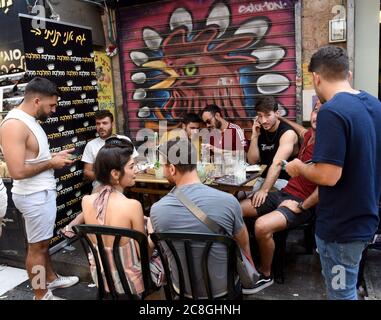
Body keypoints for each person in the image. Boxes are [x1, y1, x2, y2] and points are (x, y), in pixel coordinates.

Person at [285, 45, 381, 300]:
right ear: (347, 74)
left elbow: (328, 175)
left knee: (341, 293)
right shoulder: (375, 104)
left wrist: (298, 168)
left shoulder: (331, 111)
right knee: (345, 289)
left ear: (316, 77)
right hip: (364, 220)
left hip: (340, 230)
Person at [0, 77, 79, 300]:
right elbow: (17, 171)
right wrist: (51, 163)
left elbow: (32, 159)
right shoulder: (14, 125)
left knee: (42, 245)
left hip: (40, 193)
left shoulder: (29, 119)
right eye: (51, 105)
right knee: (36, 249)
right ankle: (40, 294)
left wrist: (53, 157)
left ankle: (51, 279)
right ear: (36, 100)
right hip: (33, 196)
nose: (53, 110)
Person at [150, 139, 256, 298]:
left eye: (162, 166)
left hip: (183, 290)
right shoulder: (229, 202)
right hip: (225, 290)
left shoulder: (157, 210)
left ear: (172, 169)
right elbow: (243, 244)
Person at [240, 99, 321, 293]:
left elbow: (326, 186)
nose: (317, 116)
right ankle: (247, 264)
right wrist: (282, 118)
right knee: (232, 210)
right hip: (285, 192)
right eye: (316, 111)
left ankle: (265, 274)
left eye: (324, 113)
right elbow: (302, 130)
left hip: (300, 201)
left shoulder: (329, 144)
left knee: (261, 226)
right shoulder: (309, 134)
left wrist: (303, 207)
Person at [81, 137, 153, 295]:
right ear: (115, 173)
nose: (136, 170)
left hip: (101, 277)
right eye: (132, 166)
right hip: (131, 281)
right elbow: (145, 255)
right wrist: (152, 234)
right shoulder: (133, 206)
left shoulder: (86, 201)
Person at [59, 110, 137, 238]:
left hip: (122, 181)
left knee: (100, 194)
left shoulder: (124, 140)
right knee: (103, 189)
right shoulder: (91, 145)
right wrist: (106, 175)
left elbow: (133, 165)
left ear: (112, 123)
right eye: (98, 123)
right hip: (102, 183)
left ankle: (73, 225)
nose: (101, 126)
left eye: (105, 123)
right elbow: (87, 173)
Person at [244, 95, 298, 206]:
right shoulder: (261, 129)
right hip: (261, 178)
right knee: (233, 197)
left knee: (247, 204)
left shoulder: (287, 133)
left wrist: (263, 190)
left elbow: (277, 164)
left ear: (277, 114)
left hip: (282, 181)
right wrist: (254, 136)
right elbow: (252, 161)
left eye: (268, 115)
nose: (263, 120)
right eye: (260, 116)